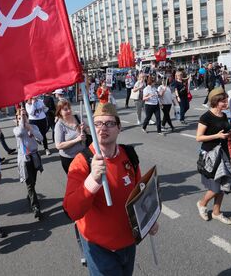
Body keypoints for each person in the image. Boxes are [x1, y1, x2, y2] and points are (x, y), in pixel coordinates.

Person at [63, 103, 158, 275]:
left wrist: (148, 220)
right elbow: (72, 211)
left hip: (128, 242)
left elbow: (140, 194)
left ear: (119, 127)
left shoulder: (129, 155)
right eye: (98, 123)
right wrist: (93, 179)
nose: (102, 128)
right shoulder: (81, 161)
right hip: (99, 247)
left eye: (109, 123)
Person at [195, 87, 231, 225]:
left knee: (224, 185)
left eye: (226, 101)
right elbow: (199, 138)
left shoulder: (224, 115)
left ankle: (216, 212)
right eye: (223, 102)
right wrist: (217, 135)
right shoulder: (206, 117)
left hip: (223, 153)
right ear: (215, 101)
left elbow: (225, 133)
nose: (226, 104)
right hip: (210, 155)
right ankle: (202, 204)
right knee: (215, 188)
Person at [13, 107, 44, 219]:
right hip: (24, 159)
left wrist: (31, 128)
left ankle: (30, 195)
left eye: (25, 115)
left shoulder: (33, 127)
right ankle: (36, 207)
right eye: (20, 116)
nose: (23, 117)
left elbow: (41, 138)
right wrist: (22, 122)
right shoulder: (16, 129)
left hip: (34, 157)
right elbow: (20, 132)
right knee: (30, 183)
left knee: (33, 181)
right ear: (17, 119)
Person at [54, 99, 87, 174]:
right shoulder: (59, 125)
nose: (69, 111)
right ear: (60, 112)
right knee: (75, 181)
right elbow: (58, 145)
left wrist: (85, 128)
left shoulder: (77, 117)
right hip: (69, 158)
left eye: (69, 108)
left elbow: (89, 131)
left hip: (83, 155)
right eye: (65, 109)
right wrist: (77, 140)